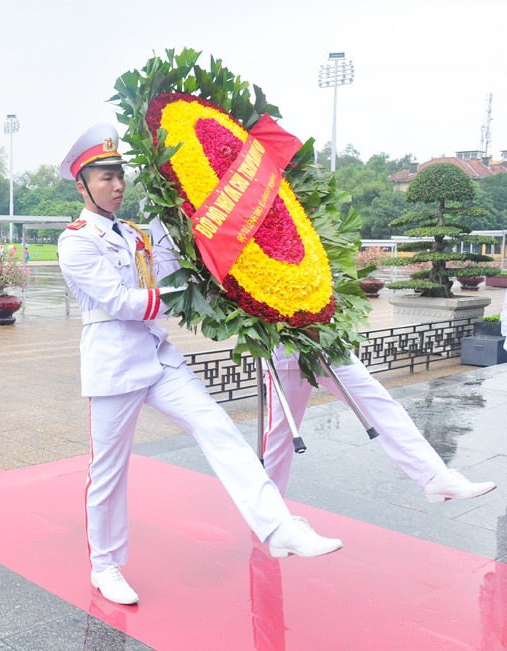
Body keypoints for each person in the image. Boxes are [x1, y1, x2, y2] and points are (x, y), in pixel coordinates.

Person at [56, 123, 341, 606]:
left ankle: (276, 525)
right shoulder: (77, 241)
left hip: (157, 356)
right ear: (82, 186)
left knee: (219, 428)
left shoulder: (134, 233)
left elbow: (164, 269)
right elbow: (123, 301)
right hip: (114, 364)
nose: (117, 184)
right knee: (109, 471)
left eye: (120, 174)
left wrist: (177, 212)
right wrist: (183, 295)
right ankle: (105, 565)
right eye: (104, 177)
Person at [263, 346, 498, 502]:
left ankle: (434, 476)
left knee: (380, 403)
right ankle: (268, 510)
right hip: (283, 353)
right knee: (280, 434)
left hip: (327, 344)